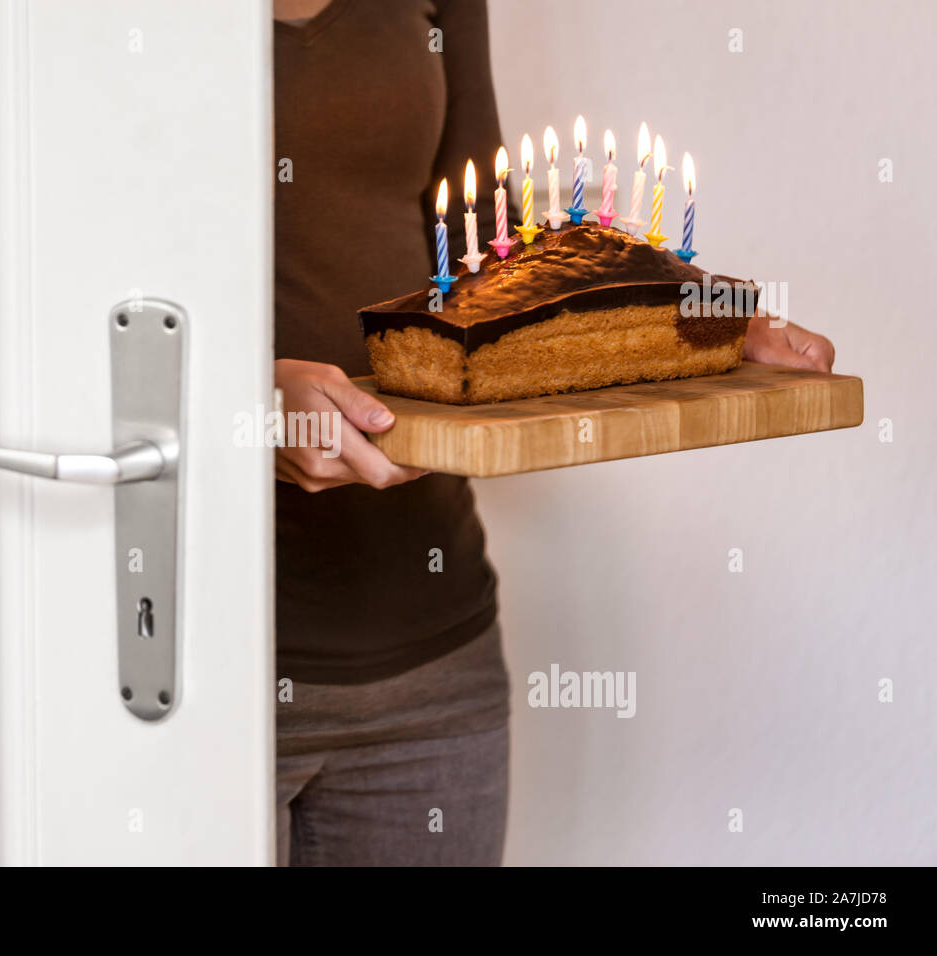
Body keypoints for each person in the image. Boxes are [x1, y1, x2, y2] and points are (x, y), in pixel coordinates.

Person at [271, 0, 835, 867]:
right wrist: (237, 400)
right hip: (204, 673)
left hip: (431, 655)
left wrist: (687, 313)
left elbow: (490, 242)